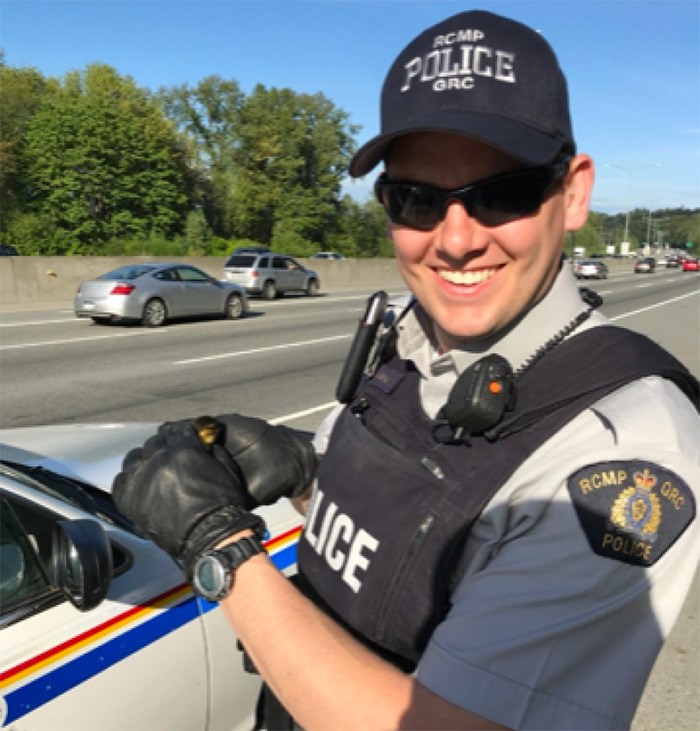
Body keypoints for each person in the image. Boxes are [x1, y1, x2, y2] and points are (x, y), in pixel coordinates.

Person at [113, 10, 700, 730]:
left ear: (573, 192)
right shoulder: (415, 332)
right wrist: (307, 474)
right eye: (417, 199)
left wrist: (220, 551)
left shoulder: (624, 448)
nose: (455, 241)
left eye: (504, 192)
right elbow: (419, 540)